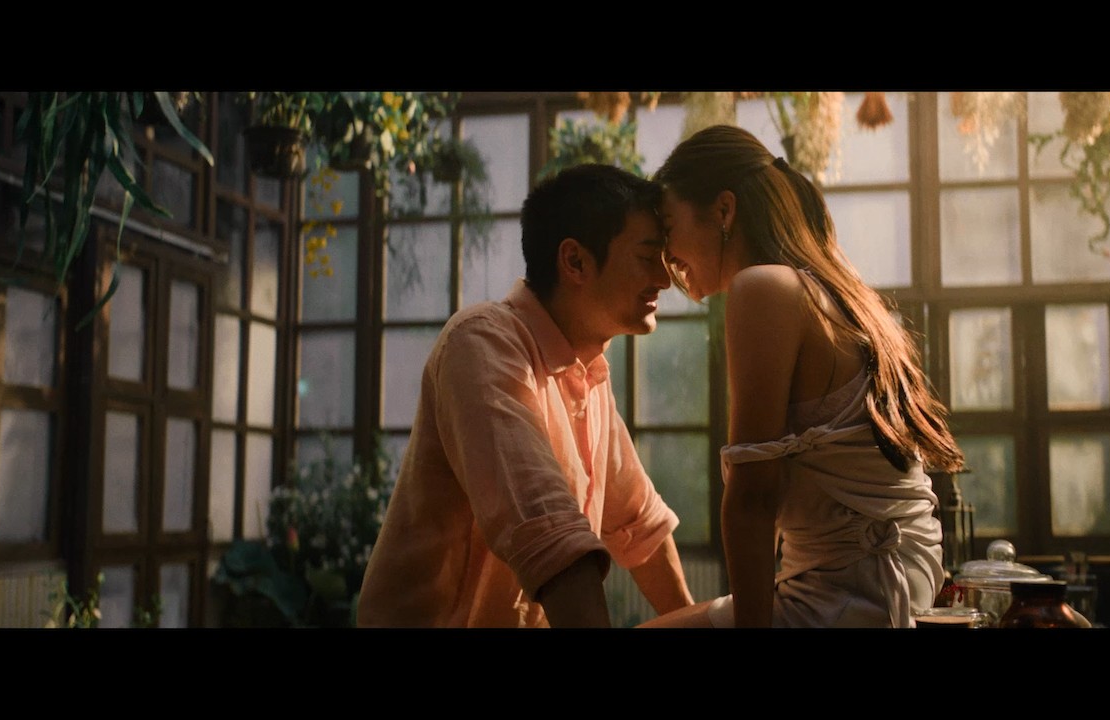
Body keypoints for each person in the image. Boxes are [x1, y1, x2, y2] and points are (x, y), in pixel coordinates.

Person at [638, 125, 965, 629]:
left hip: (857, 588)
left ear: (724, 211)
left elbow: (753, 497)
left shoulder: (764, 287)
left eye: (667, 226)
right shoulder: (837, 290)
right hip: (893, 576)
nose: (666, 255)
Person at [356, 163, 694, 628]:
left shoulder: (589, 375)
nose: (665, 278)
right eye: (648, 256)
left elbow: (640, 525)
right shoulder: (481, 343)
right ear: (575, 261)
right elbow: (550, 533)